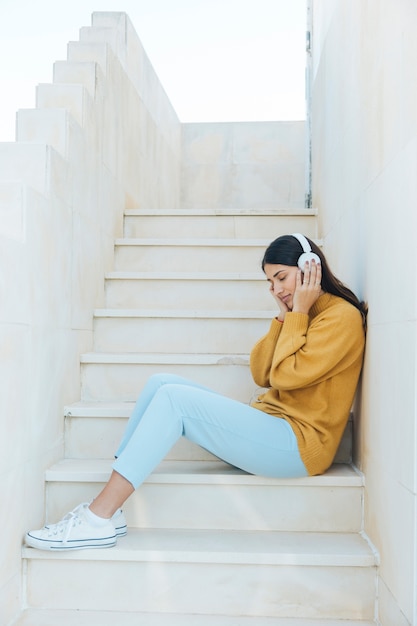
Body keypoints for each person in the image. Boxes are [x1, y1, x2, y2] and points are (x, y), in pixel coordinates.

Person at [25, 233, 367, 551]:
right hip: (272, 427)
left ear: (310, 270)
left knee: (175, 401)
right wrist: (285, 317)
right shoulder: (299, 315)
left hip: (299, 446)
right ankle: (112, 508)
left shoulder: (342, 319)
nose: (275, 289)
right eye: (269, 282)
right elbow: (262, 372)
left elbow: (285, 376)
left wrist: (299, 314)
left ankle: (97, 517)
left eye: (281, 277)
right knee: (161, 382)